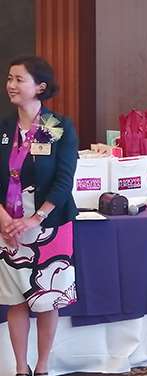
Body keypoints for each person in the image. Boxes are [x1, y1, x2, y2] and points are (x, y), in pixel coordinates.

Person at [0, 56, 78, 376]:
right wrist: (3, 218)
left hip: (50, 225)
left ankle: (43, 367)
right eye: (9, 78)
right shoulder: (3, 128)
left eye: (19, 79)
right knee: (15, 300)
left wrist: (36, 219)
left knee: (47, 299)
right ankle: (21, 368)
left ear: (40, 87)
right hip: (8, 227)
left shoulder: (57, 127)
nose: (11, 85)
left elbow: (63, 180)